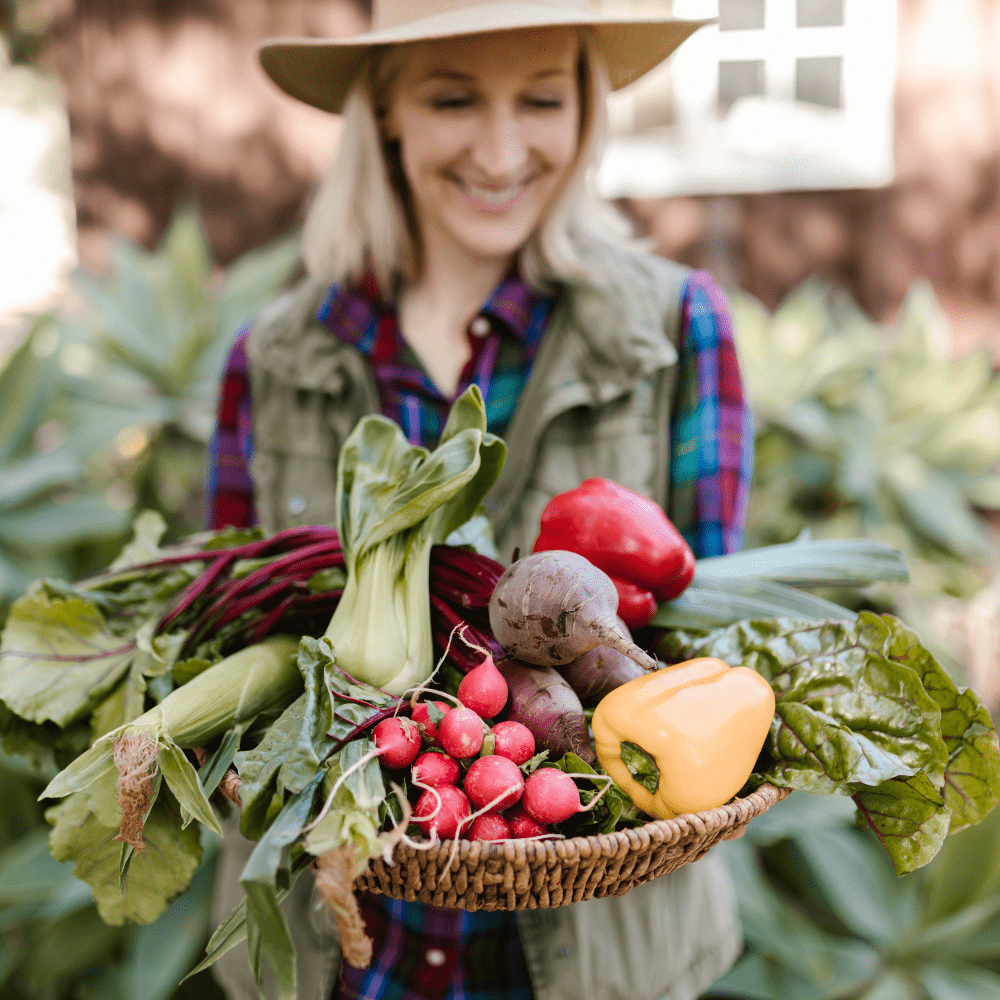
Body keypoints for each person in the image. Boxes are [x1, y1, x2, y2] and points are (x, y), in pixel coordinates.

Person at [205, 2, 753, 999]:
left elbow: (702, 653)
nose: (501, 151)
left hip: (599, 955)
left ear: (585, 111)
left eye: (541, 98)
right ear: (385, 114)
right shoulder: (272, 358)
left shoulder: (678, 329)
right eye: (453, 97)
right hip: (343, 949)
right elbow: (229, 631)